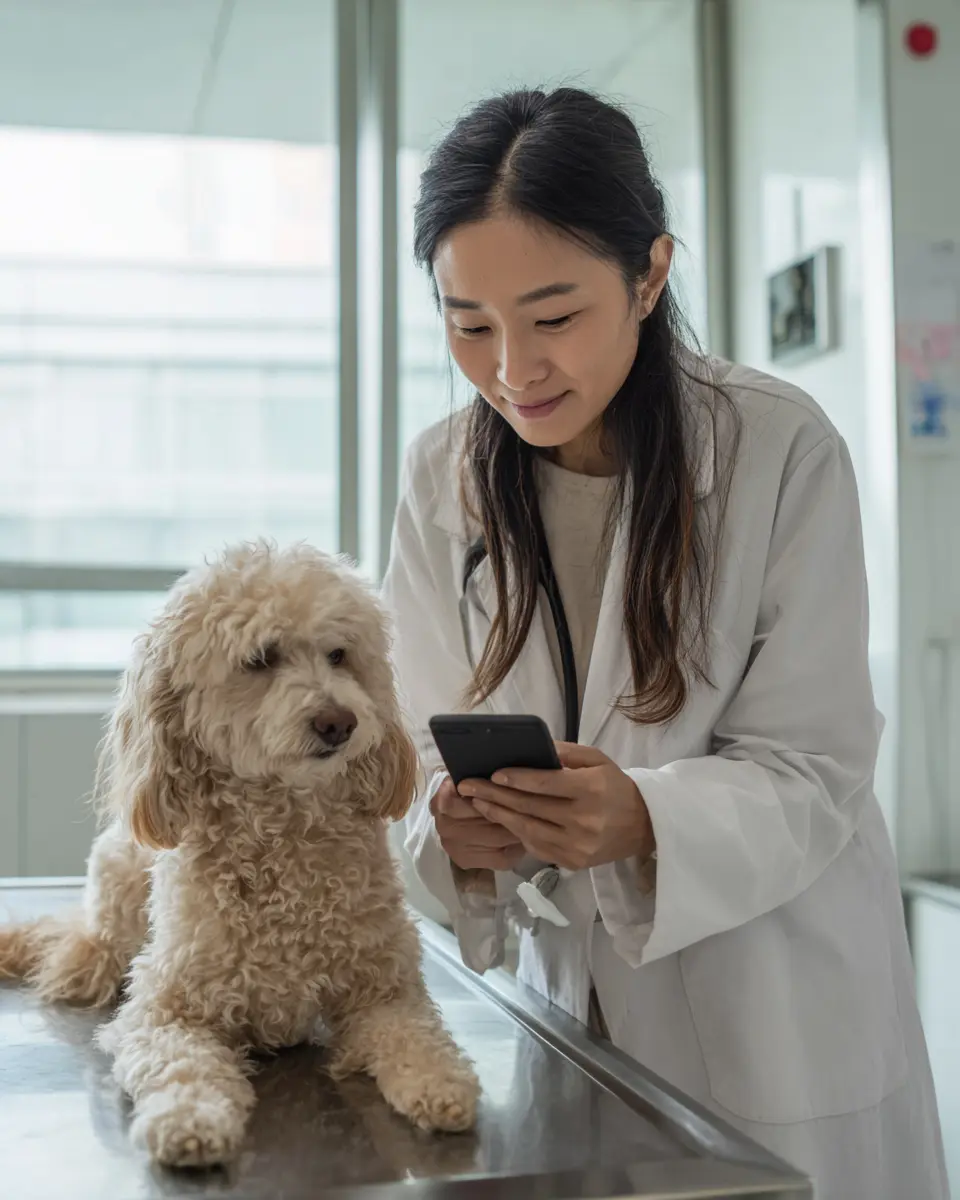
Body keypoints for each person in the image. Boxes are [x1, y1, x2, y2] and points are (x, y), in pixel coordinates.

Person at [380, 86, 947, 1200]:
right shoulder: (439, 475)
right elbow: (412, 749)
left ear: (650, 275)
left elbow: (816, 763)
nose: (512, 370)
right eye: (468, 324)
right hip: (564, 1010)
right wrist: (453, 832)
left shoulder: (779, 447)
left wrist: (645, 818)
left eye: (554, 317)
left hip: (772, 1000)